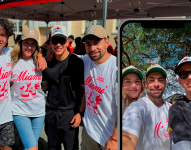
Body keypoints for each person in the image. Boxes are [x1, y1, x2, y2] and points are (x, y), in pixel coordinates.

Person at [42, 25, 85, 150]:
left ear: (67, 42)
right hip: (51, 114)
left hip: (69, 115)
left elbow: (85, 91)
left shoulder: (76, 62)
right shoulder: (47, 62)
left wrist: (80, 113)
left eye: (62, 41)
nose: (58, 44)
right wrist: (41, 55)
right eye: (55, 41)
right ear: (50, 43)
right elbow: (44, 85)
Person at [79, 25, 118, 150]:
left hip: (109, 137)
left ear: (107, 42)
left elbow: (125, 107)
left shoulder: (116, 69)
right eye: (88, 44)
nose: (92, 48)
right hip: (89, 132)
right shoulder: (86, 60)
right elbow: (67, 56)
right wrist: (45, 54)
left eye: (97, 43)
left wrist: (115, 138)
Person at [10, 27, 46, 150]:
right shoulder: (12, 61)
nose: (29, 47)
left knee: (31, 145)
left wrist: (41, 55)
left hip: (39, 111)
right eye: (26, 43)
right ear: (20, 42)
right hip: (20, 111)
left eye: (33, 44)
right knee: (32, 147)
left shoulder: (40, 61)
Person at [122, 64, 172, 150]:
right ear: (146, 83)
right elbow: (128, 137)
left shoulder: (171, 109)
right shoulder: (137, 107)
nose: (156, 84)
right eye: (152, 80)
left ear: (165, 83)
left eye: (160, 80)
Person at [168, 57, 191, 149]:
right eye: (184, 74)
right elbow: (183, 144)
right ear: (180, 81)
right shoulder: (176, 109)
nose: (189, 77)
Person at [0, 18, 15, 150]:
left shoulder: (8, 54)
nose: (0, 39)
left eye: (3, 35)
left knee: (6, 148)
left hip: (6, 116)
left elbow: (30, 48)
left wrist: (40, 56)